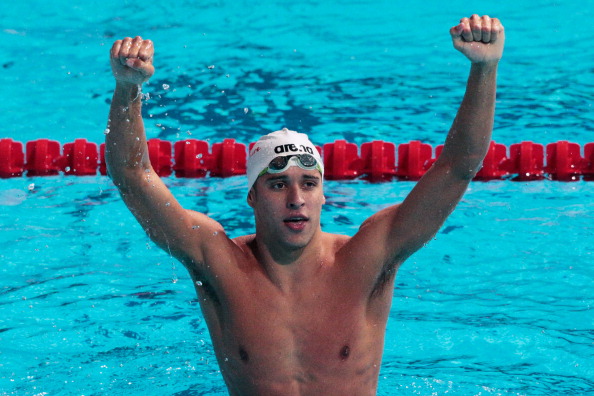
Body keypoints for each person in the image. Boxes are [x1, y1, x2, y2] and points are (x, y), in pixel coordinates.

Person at [106, 14, 504, 396]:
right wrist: (128, 89)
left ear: (323, 194)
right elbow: (132, 176)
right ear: (252, 197)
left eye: (308, 184)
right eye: (278, 184)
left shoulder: (369, 254)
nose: (297, 199)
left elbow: (457, 167)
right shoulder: (216, 259)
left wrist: (484, 69)